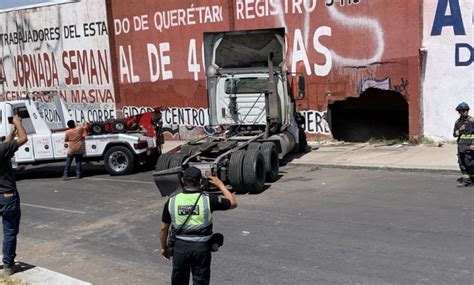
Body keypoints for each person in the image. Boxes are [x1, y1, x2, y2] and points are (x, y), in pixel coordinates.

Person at [160, 167, 237, 285]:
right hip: (201, 249)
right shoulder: (208, 199)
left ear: (182, 180)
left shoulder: (172, 201)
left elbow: (163, 228)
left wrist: (163, 247)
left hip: (180, 248)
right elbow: (233, 203)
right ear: (200, 181)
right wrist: (220, 185)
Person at [0, 115, 28, 276]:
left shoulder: (2, 149)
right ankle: (8, 266)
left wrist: (12, 130)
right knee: (9, 231)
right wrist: (18, 123)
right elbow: (24, 139)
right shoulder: (1, 150)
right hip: (7, 195)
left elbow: (5, 145)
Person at [453, 102, 473, 187]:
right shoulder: (457, 122)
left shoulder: (472, 120)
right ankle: (467, 181)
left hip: (470, 146)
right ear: (459, 112)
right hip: (461, 147)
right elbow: (454, 134)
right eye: (463, 110)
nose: (465, 112)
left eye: (466, 110)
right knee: (462, 164)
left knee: (471, 163)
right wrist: (460, 130)